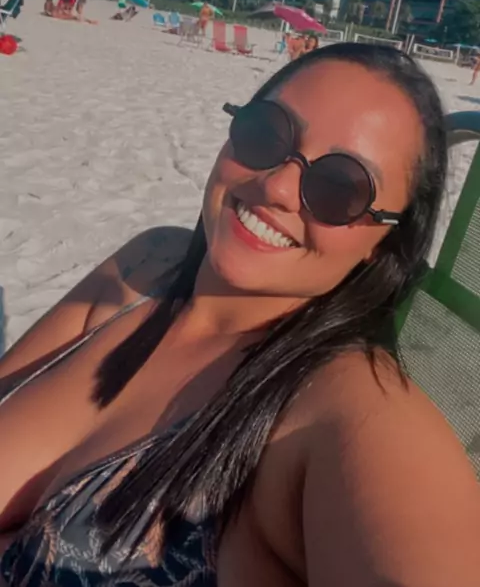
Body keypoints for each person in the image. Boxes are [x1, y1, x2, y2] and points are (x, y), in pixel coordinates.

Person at [0, 43, 478, 587]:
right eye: (267, 134)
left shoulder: (343, 409)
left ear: (384, 242)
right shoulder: (149, 264)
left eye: (340, 188)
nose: (276, 186)